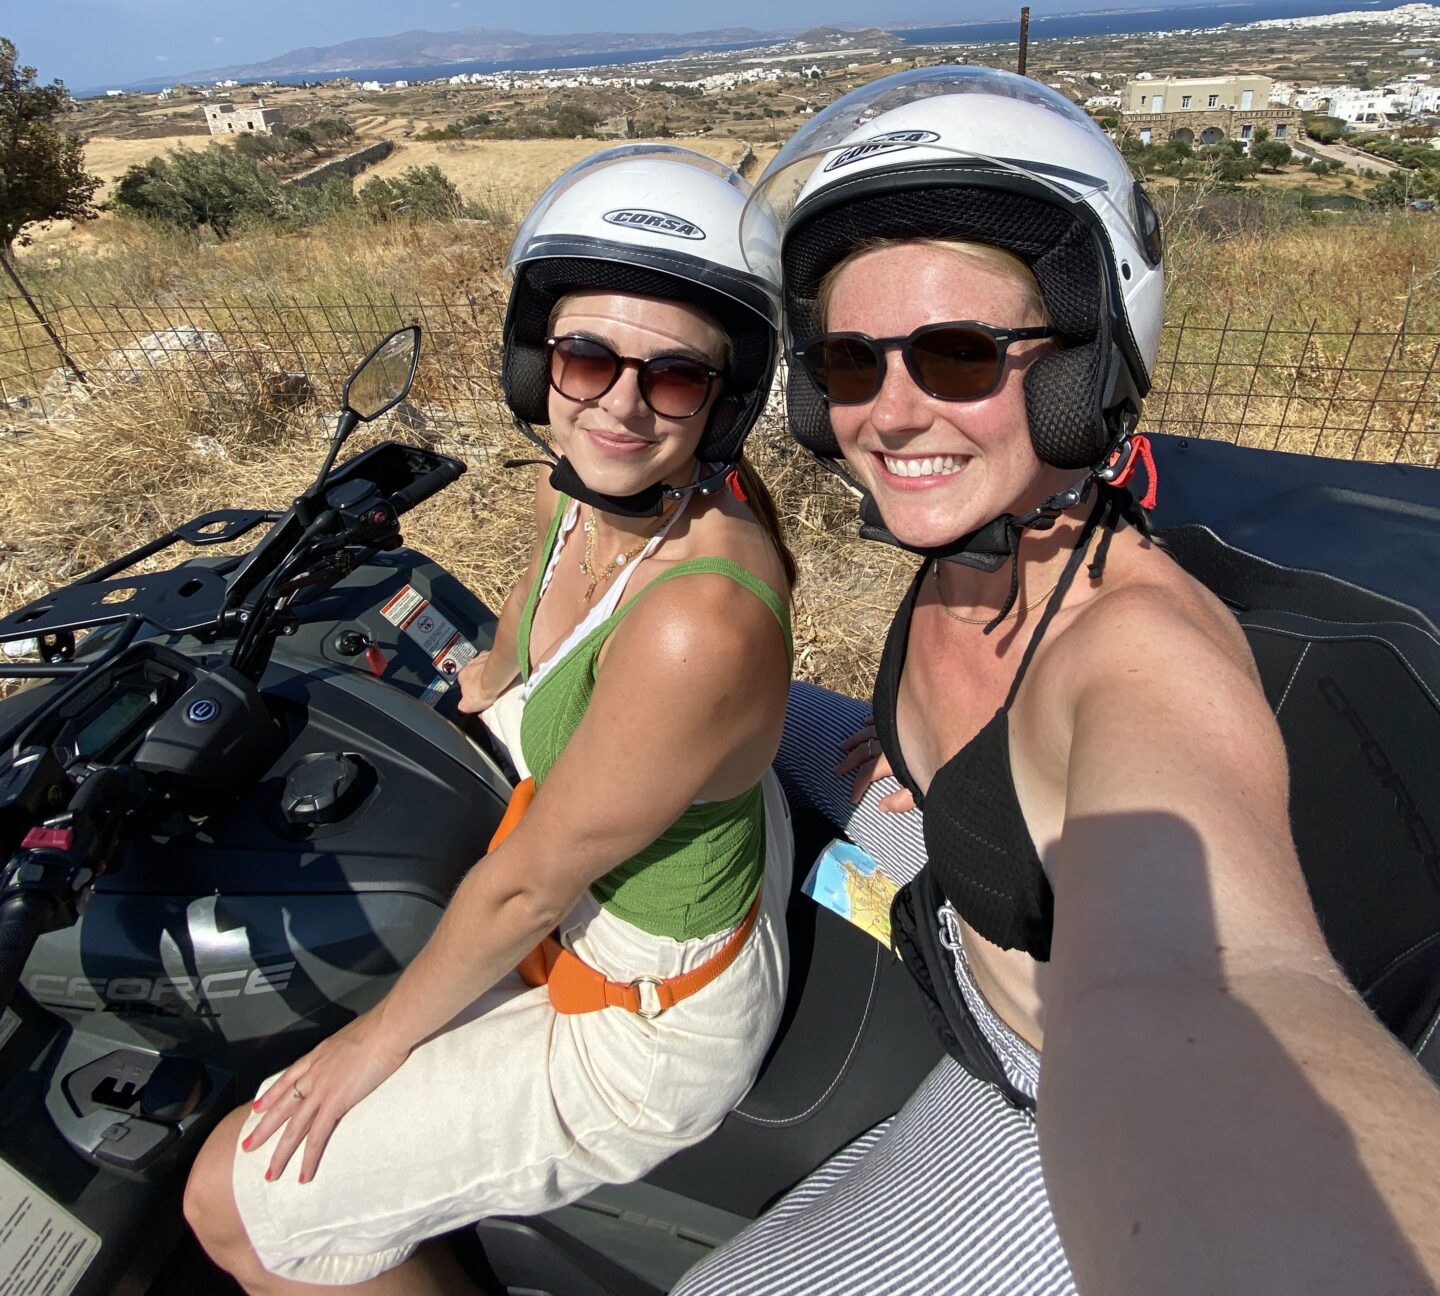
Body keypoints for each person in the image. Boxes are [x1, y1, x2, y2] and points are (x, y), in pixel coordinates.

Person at [676, 66, 1440, 1296]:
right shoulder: (972, 552)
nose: (894, 414)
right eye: (854, 363)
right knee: (753, 722)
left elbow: (1211, 984)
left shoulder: (1138, 656)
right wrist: (926, 773)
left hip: (1045, 1081)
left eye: (961, 354)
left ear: (1085, 361)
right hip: (947, 882)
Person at [185, 144, 796, 1293]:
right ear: (540, 366)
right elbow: (527, 618)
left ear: (724, 400)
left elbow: (525, 887)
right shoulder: (578, 487)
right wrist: (495, 670)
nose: (619, 403)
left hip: (639, 1024)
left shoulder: (693, 623)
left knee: (235, 1198)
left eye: (671, 377)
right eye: (588, 356)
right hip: (607, 907)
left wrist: (369, 1050)